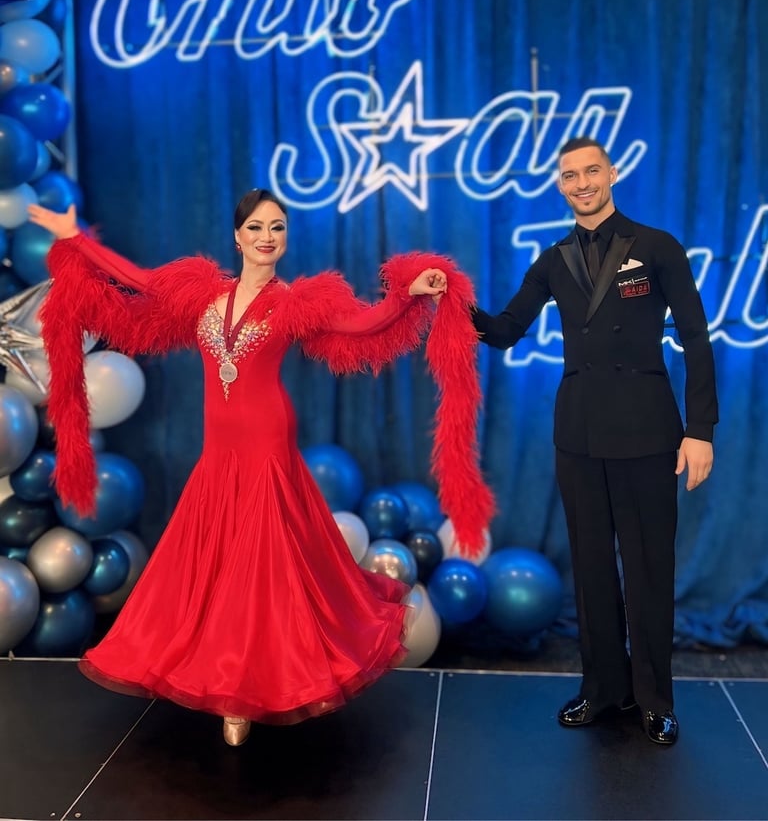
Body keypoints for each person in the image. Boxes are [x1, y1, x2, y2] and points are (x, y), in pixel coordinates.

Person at [29, 189, 494, 746]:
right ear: (238, 236)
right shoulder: (202, 293)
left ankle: (243, 695)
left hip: (268, 439)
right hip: (219, 449)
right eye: (256, 228)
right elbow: (138, 278)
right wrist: (73, 237)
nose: (267, 237)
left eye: (277, 228)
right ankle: (223, 677)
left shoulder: (295, 302)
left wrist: (407, 294)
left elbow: (363, 326)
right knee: (217, 562)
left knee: (260, 566)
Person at [471, 137, 718, 746]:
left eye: (591, 171)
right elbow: (505, 330)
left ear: (612, 173)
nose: (581, 183)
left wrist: (700, 430)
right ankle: (602, 690)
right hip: (577, 434)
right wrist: (452, 299)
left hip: (648, 432)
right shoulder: (552, 258)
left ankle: (656, 699)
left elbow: (696, 337)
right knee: (591, 570)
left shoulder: (657, 246)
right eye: (569, 176)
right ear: (559, 185)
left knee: (649, 571)